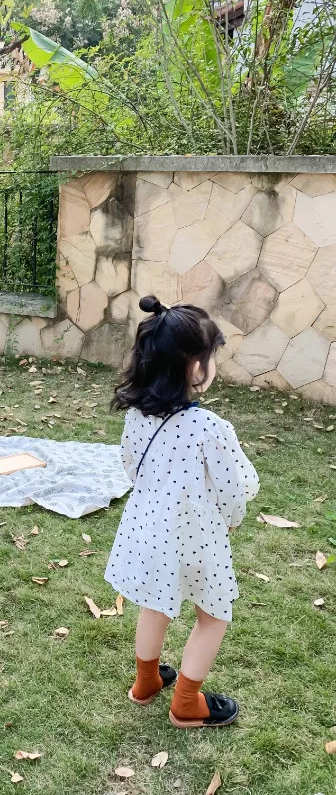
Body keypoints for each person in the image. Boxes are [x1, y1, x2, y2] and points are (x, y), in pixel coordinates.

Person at [105, 295, 259, 729]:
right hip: (197, 537)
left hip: (146, 530)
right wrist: (232, 519)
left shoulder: (137, 416)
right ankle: (187, 703)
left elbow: (130, 465)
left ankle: (146, 683)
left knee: (153, 604)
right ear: (194, 366)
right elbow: (235, 490)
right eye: (211, 357)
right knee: (213, 615)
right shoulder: (211, 428)